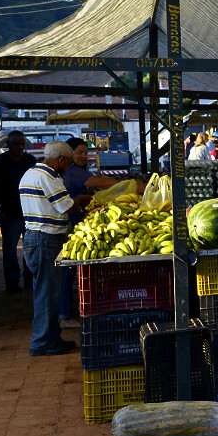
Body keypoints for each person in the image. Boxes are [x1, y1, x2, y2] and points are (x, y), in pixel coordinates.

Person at [59, 137, 146, 327]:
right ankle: (64, 315)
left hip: (75, 218)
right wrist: (134, 186)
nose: (83, 156)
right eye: (79, 152)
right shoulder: (73, 172)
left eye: (85, 152)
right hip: (72, 220)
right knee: (66, 270)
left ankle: (65, 312)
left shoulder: (77, 171)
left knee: (68, 271)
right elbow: (103, 183)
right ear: (68, 154)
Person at [20, 141, 92, 356]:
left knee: (46, 292)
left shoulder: (31, 173)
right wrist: (80, 199)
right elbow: (66, 206)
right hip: (44, 241)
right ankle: (42, 342)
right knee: (46, 294)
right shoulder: (48, 176)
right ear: (60, 160)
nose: (68, 168)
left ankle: (51, 338)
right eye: (67, 163)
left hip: (36, 239)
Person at [0, 130, 37, 293]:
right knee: (9, 249)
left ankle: (30, 280)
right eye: (16, 144)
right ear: (8, 144)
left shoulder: (30, 160)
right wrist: (0, 211)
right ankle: (12, 283)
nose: (20, 147)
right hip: (10, 213)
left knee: (30, 248)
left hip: (30, 212)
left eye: (22, 144)